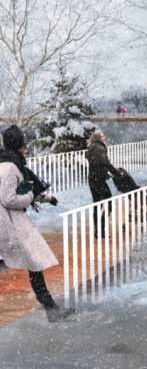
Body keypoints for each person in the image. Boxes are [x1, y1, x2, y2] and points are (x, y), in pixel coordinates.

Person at [0, 125, 74, 322]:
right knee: (33, 260)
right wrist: (32, 195)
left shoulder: (10, 162)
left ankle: (51, 308)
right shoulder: (9, 166)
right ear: (20, 144)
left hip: (10, 220)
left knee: (33, 262)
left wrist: (46, 197)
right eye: (23, 142)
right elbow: (9, 198)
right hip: (9, 221)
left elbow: (24, 187)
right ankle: (51, 309)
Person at [85, 131, 122, 238]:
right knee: (109, 203)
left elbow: (96, 166)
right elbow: (107, 164)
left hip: (93, 179)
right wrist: (117, 174)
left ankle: (97, 230)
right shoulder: (100, 149)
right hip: (99, 181)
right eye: (102, 136)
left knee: (97, 205)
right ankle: (100, 229)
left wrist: (107, 175)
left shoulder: (92, 148)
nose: (104, 138)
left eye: (104, 135)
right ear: (97, 138)